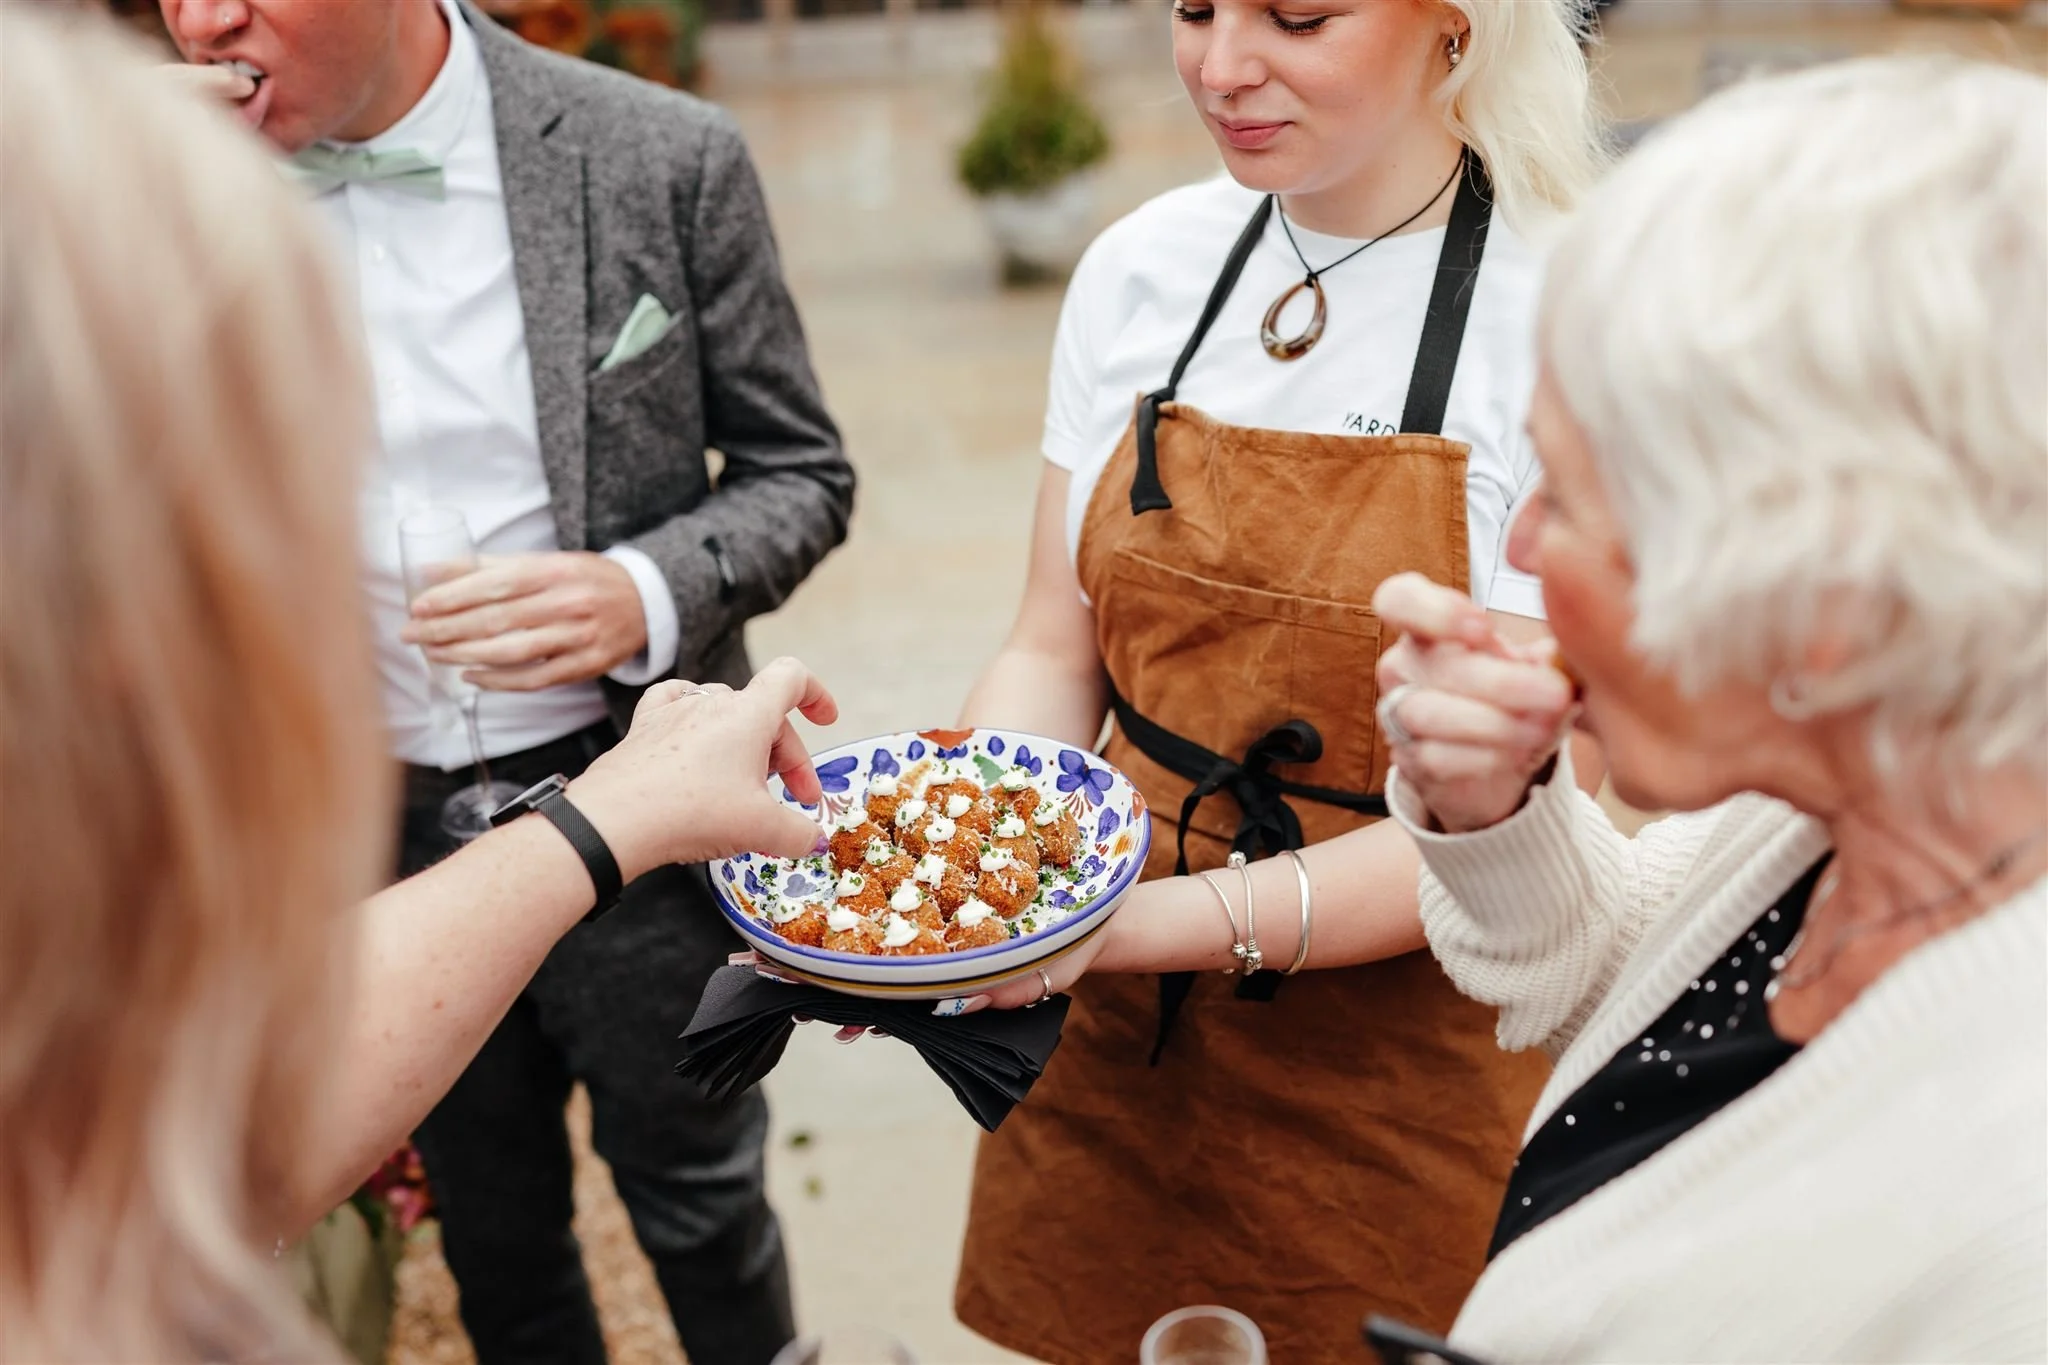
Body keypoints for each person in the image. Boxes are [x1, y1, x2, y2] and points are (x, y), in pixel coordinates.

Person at [0, 8, 840, 1361]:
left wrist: (637, 591)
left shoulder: (663, 151)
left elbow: (805, 471)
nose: (206, 18)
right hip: (359, 841)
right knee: (496, 1235)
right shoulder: (119, 209)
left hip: (648, 804)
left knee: (704, 1204)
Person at [947, 2, 1607, 1358]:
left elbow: (1527, 820)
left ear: (1457, 28)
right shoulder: (1140, 268)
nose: (1222, 66)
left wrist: (1115, 929)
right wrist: (992, 869)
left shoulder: (1572, 318)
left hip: (1406, 1066)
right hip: (1109, 1027)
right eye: (1194, 7)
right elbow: (1048, 644)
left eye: (1297, 15)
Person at [1367, 58, 2045, 1359]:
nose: (1521, 546)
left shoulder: (2016, 1258)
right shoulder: (1873, 797)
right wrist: (1493, 806)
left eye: (1571, 497)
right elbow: (1618, 962)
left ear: (1822, 600)